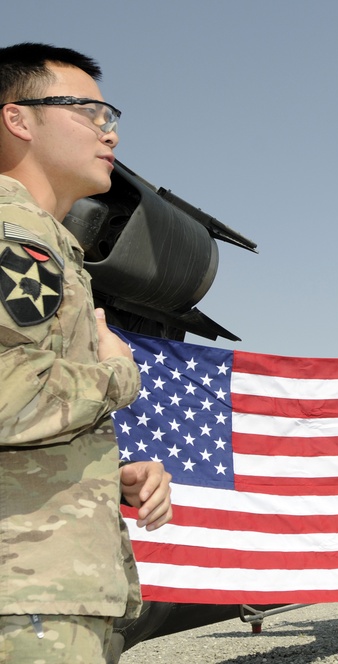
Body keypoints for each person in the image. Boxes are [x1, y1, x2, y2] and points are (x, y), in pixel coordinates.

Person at [0, 42, 173, 662]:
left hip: (44, 590)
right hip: (26, 599)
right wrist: (117, 372)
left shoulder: (49, 245)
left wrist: (105, 477)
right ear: (18, 119)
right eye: (89, 113)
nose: (111, 134)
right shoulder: (14, 238)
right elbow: (10, 400)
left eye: (112, 118)